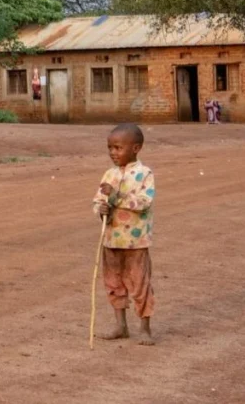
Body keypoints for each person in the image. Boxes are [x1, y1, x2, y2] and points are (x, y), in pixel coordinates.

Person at [92, 123, 156, 346]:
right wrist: (101, 210)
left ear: (135, 148)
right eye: (110, 148)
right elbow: (99, 201)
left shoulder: (144, 174)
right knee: (113, 283)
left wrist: (116, 196)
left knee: (139, 283)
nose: (113, 153)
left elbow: (144, 203)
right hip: (111, 240)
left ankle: (145, 328)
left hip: (136, 242)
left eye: (118, 148)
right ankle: (121, 326)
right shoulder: (109, 174)